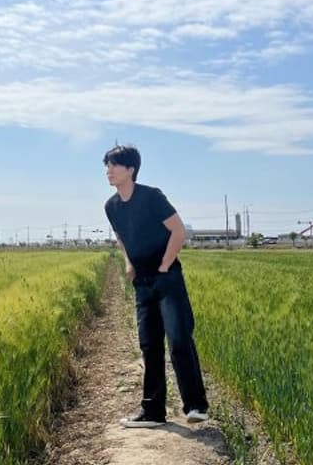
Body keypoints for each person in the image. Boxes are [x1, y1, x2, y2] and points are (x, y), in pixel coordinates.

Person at [103, 144, 209, 428]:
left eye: (114, 165)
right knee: (149, 345)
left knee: (179, 339)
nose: (108, 170)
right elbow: (121, 237)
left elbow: (178, 230)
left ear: (131, 169)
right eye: (107, 165)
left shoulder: (151, 196)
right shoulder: (111, 206)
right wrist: (129, 263)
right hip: (142, 282)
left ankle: (196, 406)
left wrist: (164, 265)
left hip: (167, 278)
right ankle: (153, 411)